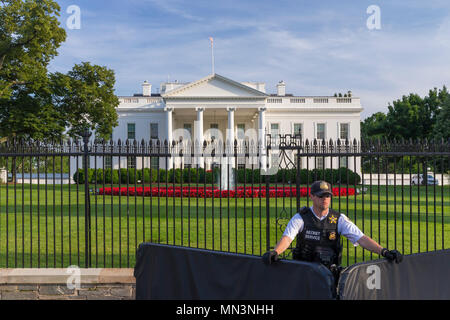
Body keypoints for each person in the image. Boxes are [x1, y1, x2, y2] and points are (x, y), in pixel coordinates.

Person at [262, 180, 403, 278]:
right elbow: (287, 238)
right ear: (311, 196)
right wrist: (276, 252)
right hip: (304, 272)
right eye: (321, 195)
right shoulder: (300, 218)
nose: (325, 199)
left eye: (328, 195)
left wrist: (384, 251)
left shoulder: (338, 219)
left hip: (329, 274)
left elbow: (361, 238)